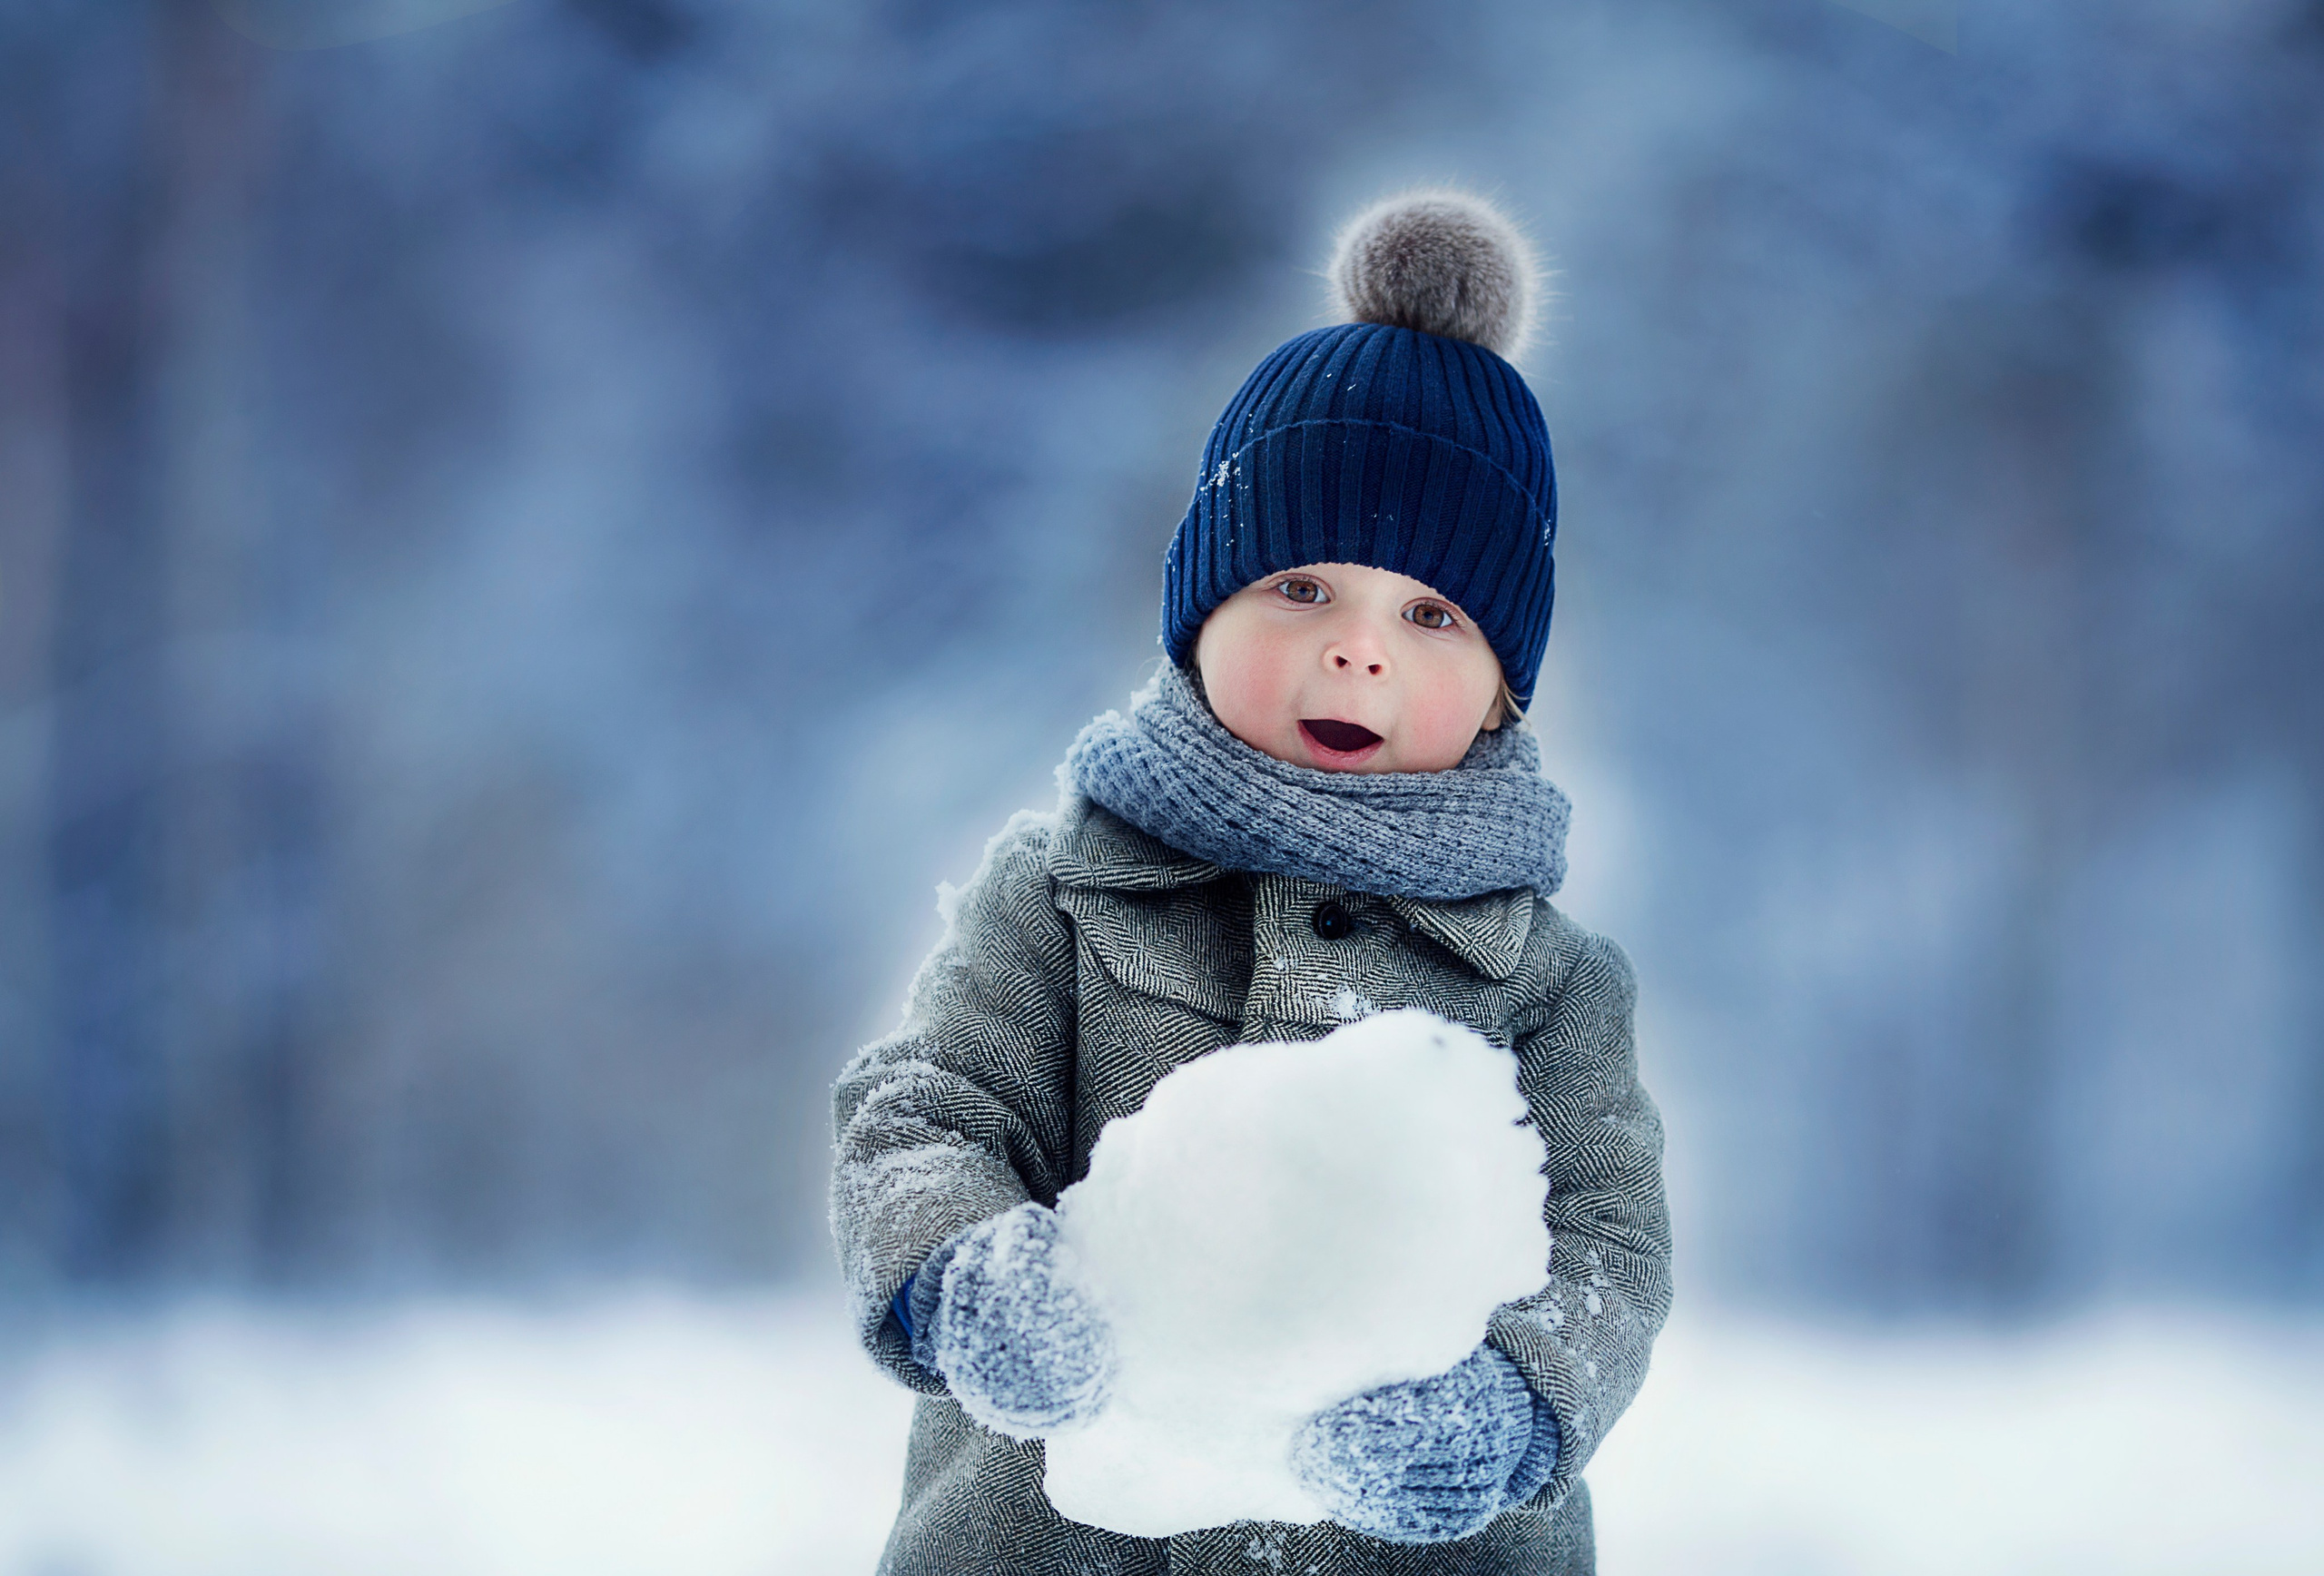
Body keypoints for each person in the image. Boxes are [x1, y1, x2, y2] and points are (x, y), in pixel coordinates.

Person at [830, 189, 1672, 1575]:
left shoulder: (1549, 985)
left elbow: (1607, 1244)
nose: (1358, 652)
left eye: (1430, 615)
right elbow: (924, 1110)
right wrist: (966, 1271)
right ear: (1199, 604)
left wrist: (1517, 1401)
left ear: (1505, 690)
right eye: (1300, 588)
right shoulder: (1061, 897)